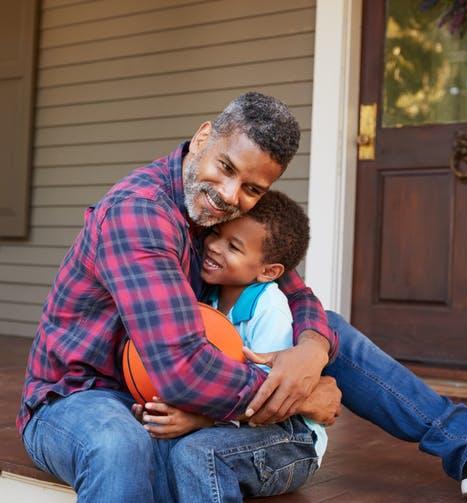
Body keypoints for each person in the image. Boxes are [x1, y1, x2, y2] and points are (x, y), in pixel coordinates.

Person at [19, 92, 467, 502]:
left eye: (252, 188)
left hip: (160, 390)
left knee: (328, 329)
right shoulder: (140, 216)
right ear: (203, 137)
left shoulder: (213, 212)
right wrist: (301, 396)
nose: (229, 195)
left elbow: (296, 295)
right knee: (119, 443)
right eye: (226, 168)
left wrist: (311, 350)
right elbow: (183, 371)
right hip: (81, 397)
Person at [134, 190, 329, 500]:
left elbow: (272, 397)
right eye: (216, 233)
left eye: (233, 247)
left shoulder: (269, 309)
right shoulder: (208, 299)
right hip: (233, 425)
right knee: (155, 441)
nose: (212, 246)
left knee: (199, 453)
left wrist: (203, 419)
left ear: (268, 271)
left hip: (289, 437)